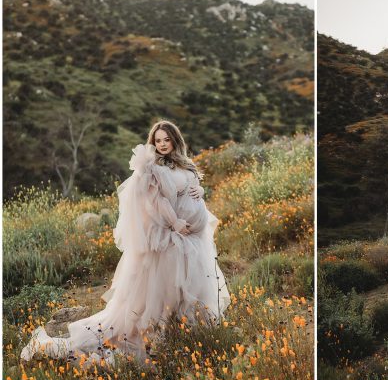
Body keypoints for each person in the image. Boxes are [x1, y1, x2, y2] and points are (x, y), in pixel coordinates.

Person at [21, 121, 231, 365]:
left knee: (189, 286)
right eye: (158, 140)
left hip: (194, 238)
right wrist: (175, 223)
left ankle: (187, 334)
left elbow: (193, 186)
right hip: (171, 236)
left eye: (166, 140)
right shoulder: (152, 167)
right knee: (166, 289)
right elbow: (156, 202)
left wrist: (200, 192)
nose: (162, 145)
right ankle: (158, 335)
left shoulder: (184, 163)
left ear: (175, 140)